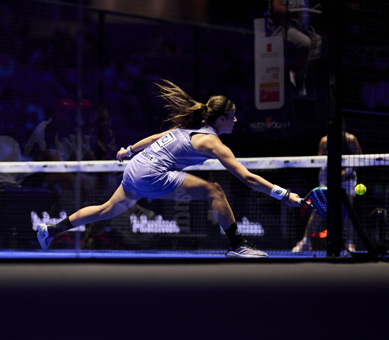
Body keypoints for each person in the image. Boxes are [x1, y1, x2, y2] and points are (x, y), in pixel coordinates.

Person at [37, 80, 302, 258]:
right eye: (232, 116)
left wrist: (128, 150)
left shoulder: (186, 127)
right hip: (151, 173)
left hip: (134, 168)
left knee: (107, 209)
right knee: (215, 190)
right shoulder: (212, 142)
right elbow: (245, 177)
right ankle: (238, 246)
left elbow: (153, 139)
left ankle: (51, 231)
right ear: (221, 119)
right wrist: (283, 194)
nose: (235, 120)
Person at [292, 125, 362, 253]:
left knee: (347, 210)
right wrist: (333, 171)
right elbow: (320, 160)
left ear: (344, 127)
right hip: (327, 176)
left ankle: (349, 243)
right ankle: (306, 241)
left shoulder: (351, 140)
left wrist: (346, 171)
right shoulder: (325, 141)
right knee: (318, 209)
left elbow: (360, 159)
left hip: (348, 178)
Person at [269, 0, 322, 96]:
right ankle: (298, 78)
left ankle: (299, 73)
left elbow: (302, 18)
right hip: (279, 27)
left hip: (296, 28)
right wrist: (288, 11)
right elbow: (276, 8)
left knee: (317, 40)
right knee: (304, 42)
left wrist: (306, 15)